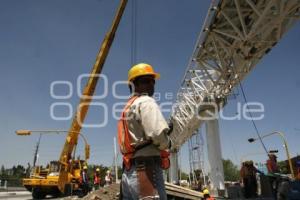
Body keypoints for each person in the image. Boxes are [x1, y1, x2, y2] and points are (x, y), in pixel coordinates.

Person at [117, 63, 172, 200]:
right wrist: (168, 142)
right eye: (146, 81)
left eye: (152, 81)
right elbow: (157, 135)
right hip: (146, 171)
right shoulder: (146, 101)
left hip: (129, 172)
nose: (151, 85)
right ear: (134, 85)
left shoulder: (127, 108)